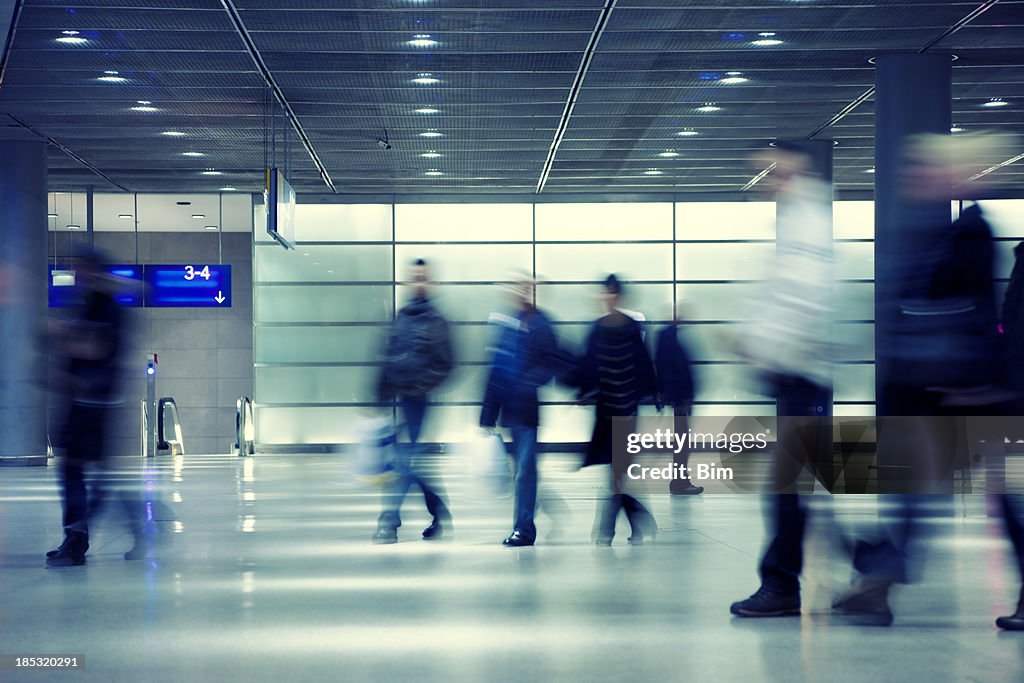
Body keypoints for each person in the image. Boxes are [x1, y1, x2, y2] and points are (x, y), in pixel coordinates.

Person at [729, 142, 834, 617]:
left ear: (794, 167)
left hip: (801, 373)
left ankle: (782, 585)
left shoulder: (807, 221)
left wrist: (764, 346)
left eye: (771, 170)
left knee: (788, 482)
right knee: (794, 483)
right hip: (794, 372)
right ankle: (871, 560)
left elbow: (801, 300)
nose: (767, 181)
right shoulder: (798, 218)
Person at [45, 247, 139, 567]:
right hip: (79, 399)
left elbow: (96, 347)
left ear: (96, 271)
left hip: (95, 402)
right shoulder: (85, 304)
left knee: (80, 470)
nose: (77, 275)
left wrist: (61, 335)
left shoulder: (108, 308)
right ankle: (78, 536)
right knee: (82, 470)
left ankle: (77, 538)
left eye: (81, 269)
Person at [373, 259, 454, 544]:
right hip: (398, 399)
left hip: (419, 401)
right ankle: (439, 511)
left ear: (429, 283)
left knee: (404, 460)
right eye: (415, 278)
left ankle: (389, 521)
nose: (419, 282)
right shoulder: (401, 317)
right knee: (407, 462)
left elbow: (446, 364)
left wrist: (421, 384)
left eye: (424, 278)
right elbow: (387, 355)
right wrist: (379, 395)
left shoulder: (437, 321)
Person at [480, 272, 561, 547]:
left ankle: (524, 529)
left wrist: (528, 383)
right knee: (521, 471)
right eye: (518, 287)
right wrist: (487, 413)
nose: (522, 292)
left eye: (527, 288)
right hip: (508, 410)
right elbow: (496, 367)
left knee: (525, 469)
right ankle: (537, 510)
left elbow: (551, 362)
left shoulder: (542, 323)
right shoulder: (506, 323)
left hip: (526, 410)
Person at [577, 275, 659, 545]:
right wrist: (582, 391)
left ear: (619, 297)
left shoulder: (631, 328)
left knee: (618, 470)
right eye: (606, 293)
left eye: (612, 293)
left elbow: (644, 364)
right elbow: (587, 366)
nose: (608, 298)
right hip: (606, 411)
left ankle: (608, 526)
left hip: (626, 411)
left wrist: (654, 393)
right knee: (617, 470)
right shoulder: (597, 329)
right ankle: (636, 518)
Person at [655, 303, 704, 496]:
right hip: (679, 398)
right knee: (682, 441)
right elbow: (671, 370)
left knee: (682, 440)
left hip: (678, 397)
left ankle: (680, 480)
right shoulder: (669, 337)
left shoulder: (669, 336)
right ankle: (680, 481)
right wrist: (680, 397)